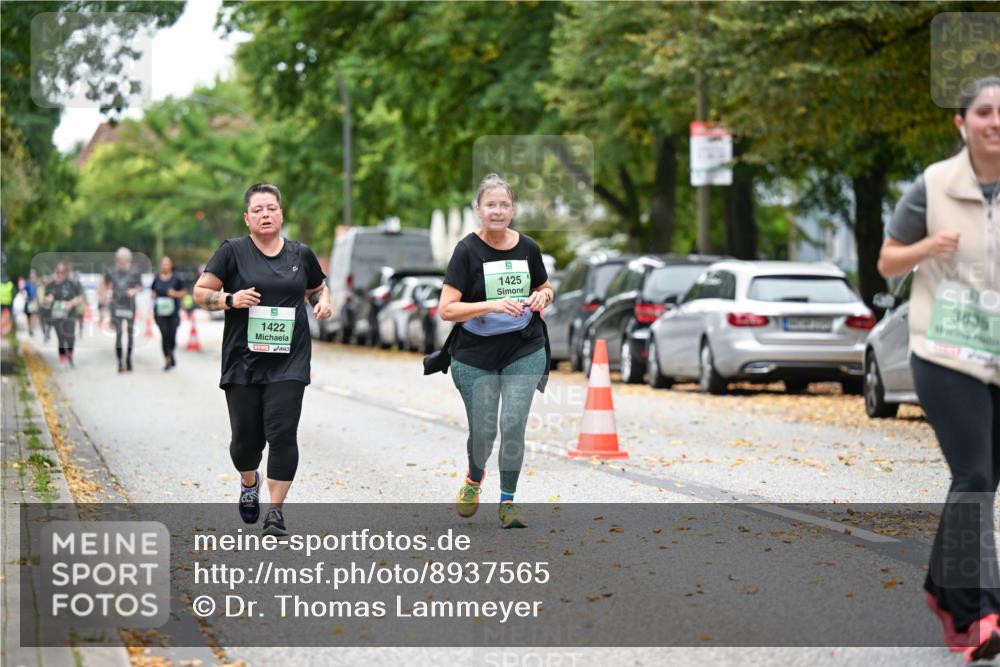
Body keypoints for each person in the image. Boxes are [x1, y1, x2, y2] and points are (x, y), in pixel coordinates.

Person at [878, 76, 1000, 662]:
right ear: (963, 123)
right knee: (973, 475)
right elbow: (886, 262)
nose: (995, 121)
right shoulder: (932, 186)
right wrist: (927, 249)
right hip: (944, 353)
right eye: (984, 112)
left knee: (983, 480)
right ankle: (980, 611)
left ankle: (943, 590)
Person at [194, 183, 331, 536]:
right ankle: (248, 480)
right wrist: (229, 300)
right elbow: (200, 292)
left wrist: (322, 301)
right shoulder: (233, 252)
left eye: (271, 208)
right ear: (246, 218)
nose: (266, 214)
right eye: (258, 210)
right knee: (245, 441)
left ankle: (276, 512)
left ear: (281, 214)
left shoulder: (301, 254)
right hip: (243, 361)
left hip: (289, 360)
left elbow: (317, 286)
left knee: (283, 433)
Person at [438, 173, 554, 529]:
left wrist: (543, 296)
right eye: (491, 204)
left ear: (513, 209)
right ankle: (474, 478)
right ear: (479, 209)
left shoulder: (528, 248)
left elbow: (545, 286)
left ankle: (508, 502)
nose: (498, 211)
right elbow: (446, 309)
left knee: (514, 422)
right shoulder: (466, 250)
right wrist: (489, 306)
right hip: (474, 354)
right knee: (485, 431)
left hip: (523, 347)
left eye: (504, 204)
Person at [101, 248, 143, 372]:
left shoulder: (135, 272)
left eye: (125, 261)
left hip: (130, 306)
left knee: (130, 334)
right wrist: (106, 296)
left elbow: (141, 287)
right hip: (116, 306)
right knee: (118, 334)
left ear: (129, 260)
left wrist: (134, 291)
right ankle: (119, 362)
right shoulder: (111, 271)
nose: (122, 263)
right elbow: (104, 284)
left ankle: (128, 359)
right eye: (120, 261)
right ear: (116, 260)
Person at [150, 256, 187, 370]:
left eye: (167, 263)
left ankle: (171, 352)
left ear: (171, 265)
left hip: (173, 312)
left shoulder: (176, 279)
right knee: (164, 334)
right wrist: (153, 295)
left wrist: (175, 293)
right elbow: (153, 292)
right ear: (161, 265)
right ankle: (167, 360)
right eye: (163, 264)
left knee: (172, 336)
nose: (165, 266)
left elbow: (184, 292)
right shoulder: (156, 278)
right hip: (160, 312)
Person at [44, 262, 83, 367]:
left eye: (62, 272)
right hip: (57, 314)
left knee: (70, 336)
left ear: (66, 272)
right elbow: (48, 296)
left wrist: (71, 303)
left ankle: (70, 355)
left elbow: (80, 297)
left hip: (70, 314)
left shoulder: (72, 283)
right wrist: (49, 299)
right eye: (58, 272)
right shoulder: (52, 284)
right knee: (60, 337)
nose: (60, 274)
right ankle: (62, 359)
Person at [22, 270, 40, 336]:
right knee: (28, 316)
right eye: (31, 277)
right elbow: (23, 291)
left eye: (34, 276)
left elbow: (39, 293)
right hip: (28, 302)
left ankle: (32, 328)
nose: (33, 278)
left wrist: (38, 301)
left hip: (34, 302)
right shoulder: (27, 284)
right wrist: (25, 297)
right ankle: (30, 327)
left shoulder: (36, 284)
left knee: (34, 315)